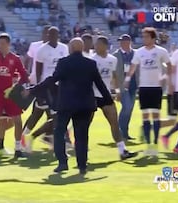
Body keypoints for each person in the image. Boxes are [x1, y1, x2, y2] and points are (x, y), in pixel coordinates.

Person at [24, 37, 114, 175]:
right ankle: (82, 166)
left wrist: (32, 90)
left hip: (67, 104)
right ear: (82, 48)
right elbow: (100, 84)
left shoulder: (64, 63)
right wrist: (109, 100)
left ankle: (62, 163)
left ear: (71, 48)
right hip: (85, 105)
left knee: (59, 132)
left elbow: (52, 80)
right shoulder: (90, 63)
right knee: (82, 135)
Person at [124, 27, 172, 156]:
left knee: (155, 115)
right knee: (145, 116)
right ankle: (149, 145)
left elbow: (170, 66)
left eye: (145, 36)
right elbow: (133, 66)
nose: (143, 38)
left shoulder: (161, 51)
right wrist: (127, 79)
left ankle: (155, 145)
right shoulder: (139, 52)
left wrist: (165, 77)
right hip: (143, 87)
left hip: (156, 88)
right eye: (143, 36)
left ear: (152, 38)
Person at [24, 26, 69, 153]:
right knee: (50, 116)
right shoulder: (41, 50)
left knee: (53, 116)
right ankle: (30, 138)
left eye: (55, 35)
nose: (52, 37)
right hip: (47, 87)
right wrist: (38, 89)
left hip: (60, 87)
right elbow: (38, 71)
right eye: (50, 34)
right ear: (47, 36)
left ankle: (35, 138)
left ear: (58, 35)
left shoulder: (63, 48)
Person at [92, 36, 137, 160]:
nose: (95, 46)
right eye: (95, 44)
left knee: (114, 123)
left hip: (105, 95)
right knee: (85, 123)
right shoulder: (92, 59)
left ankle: (123, 151)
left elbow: (114, 76)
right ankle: (81, 151)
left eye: (98, 44)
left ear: (105, 46)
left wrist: (116, 90)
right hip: (93, 95)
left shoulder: (112, 59)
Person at [22, 25, 52, 147]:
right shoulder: (35, 46)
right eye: (45, 33)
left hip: (50, 85)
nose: (46, 35)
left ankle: (45, 137)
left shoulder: (56, 48)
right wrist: (26, 75)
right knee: (49, 114)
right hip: (37, 84)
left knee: (39, 113)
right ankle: (26, 138)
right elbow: (27, 60)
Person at [113, 34, 137, 140]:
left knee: (129, 109)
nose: (121, 43)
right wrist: (116, 89)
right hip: (122, 85)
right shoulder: (116, 55)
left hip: (133, 84)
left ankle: (125, 132)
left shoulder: (136, 54)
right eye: (121, 42)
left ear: (128, 42)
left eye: (123, 41)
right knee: (126, 107)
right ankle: (119, 131)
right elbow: (114, 73)